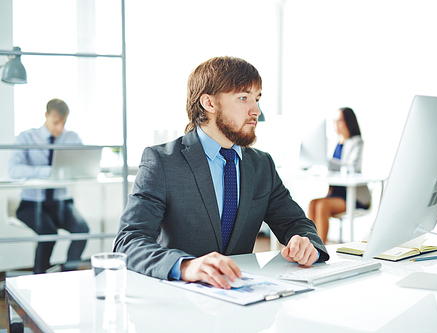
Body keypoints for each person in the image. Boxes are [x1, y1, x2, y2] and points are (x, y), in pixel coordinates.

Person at [114, 56, 329, 289]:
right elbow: (129, 241)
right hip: (179, 300)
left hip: (243, 300)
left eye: (257, 99)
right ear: (209, 103)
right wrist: (186, 265)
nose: (256, 110)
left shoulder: (261, 165)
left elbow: (295, 222)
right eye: (244, 98)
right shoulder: (162, 162)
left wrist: (306, 244)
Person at [8, 98, 90, 274]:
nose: (59, 128)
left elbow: (82, 166)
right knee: (48, 233)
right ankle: (39, 276)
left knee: (82, 230)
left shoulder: (72, 138)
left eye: (63, 123)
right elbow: (14, 171)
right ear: (46, 115)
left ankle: (68, 274)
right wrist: (50, 172)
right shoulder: (26, 137)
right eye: (55, 122)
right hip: (31, 204)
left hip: (61, 203)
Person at [308, 107, 371, 243]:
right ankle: (310, 245)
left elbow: (351, 167)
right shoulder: (335, 143)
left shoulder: (357, 142)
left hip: (352, 197)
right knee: (313, 203)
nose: (336, 125)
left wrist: (326, 162)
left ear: (348, 121)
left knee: (322, 205)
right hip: (335, 194)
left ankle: (320, 248)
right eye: (334, 121)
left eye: (340, 121)